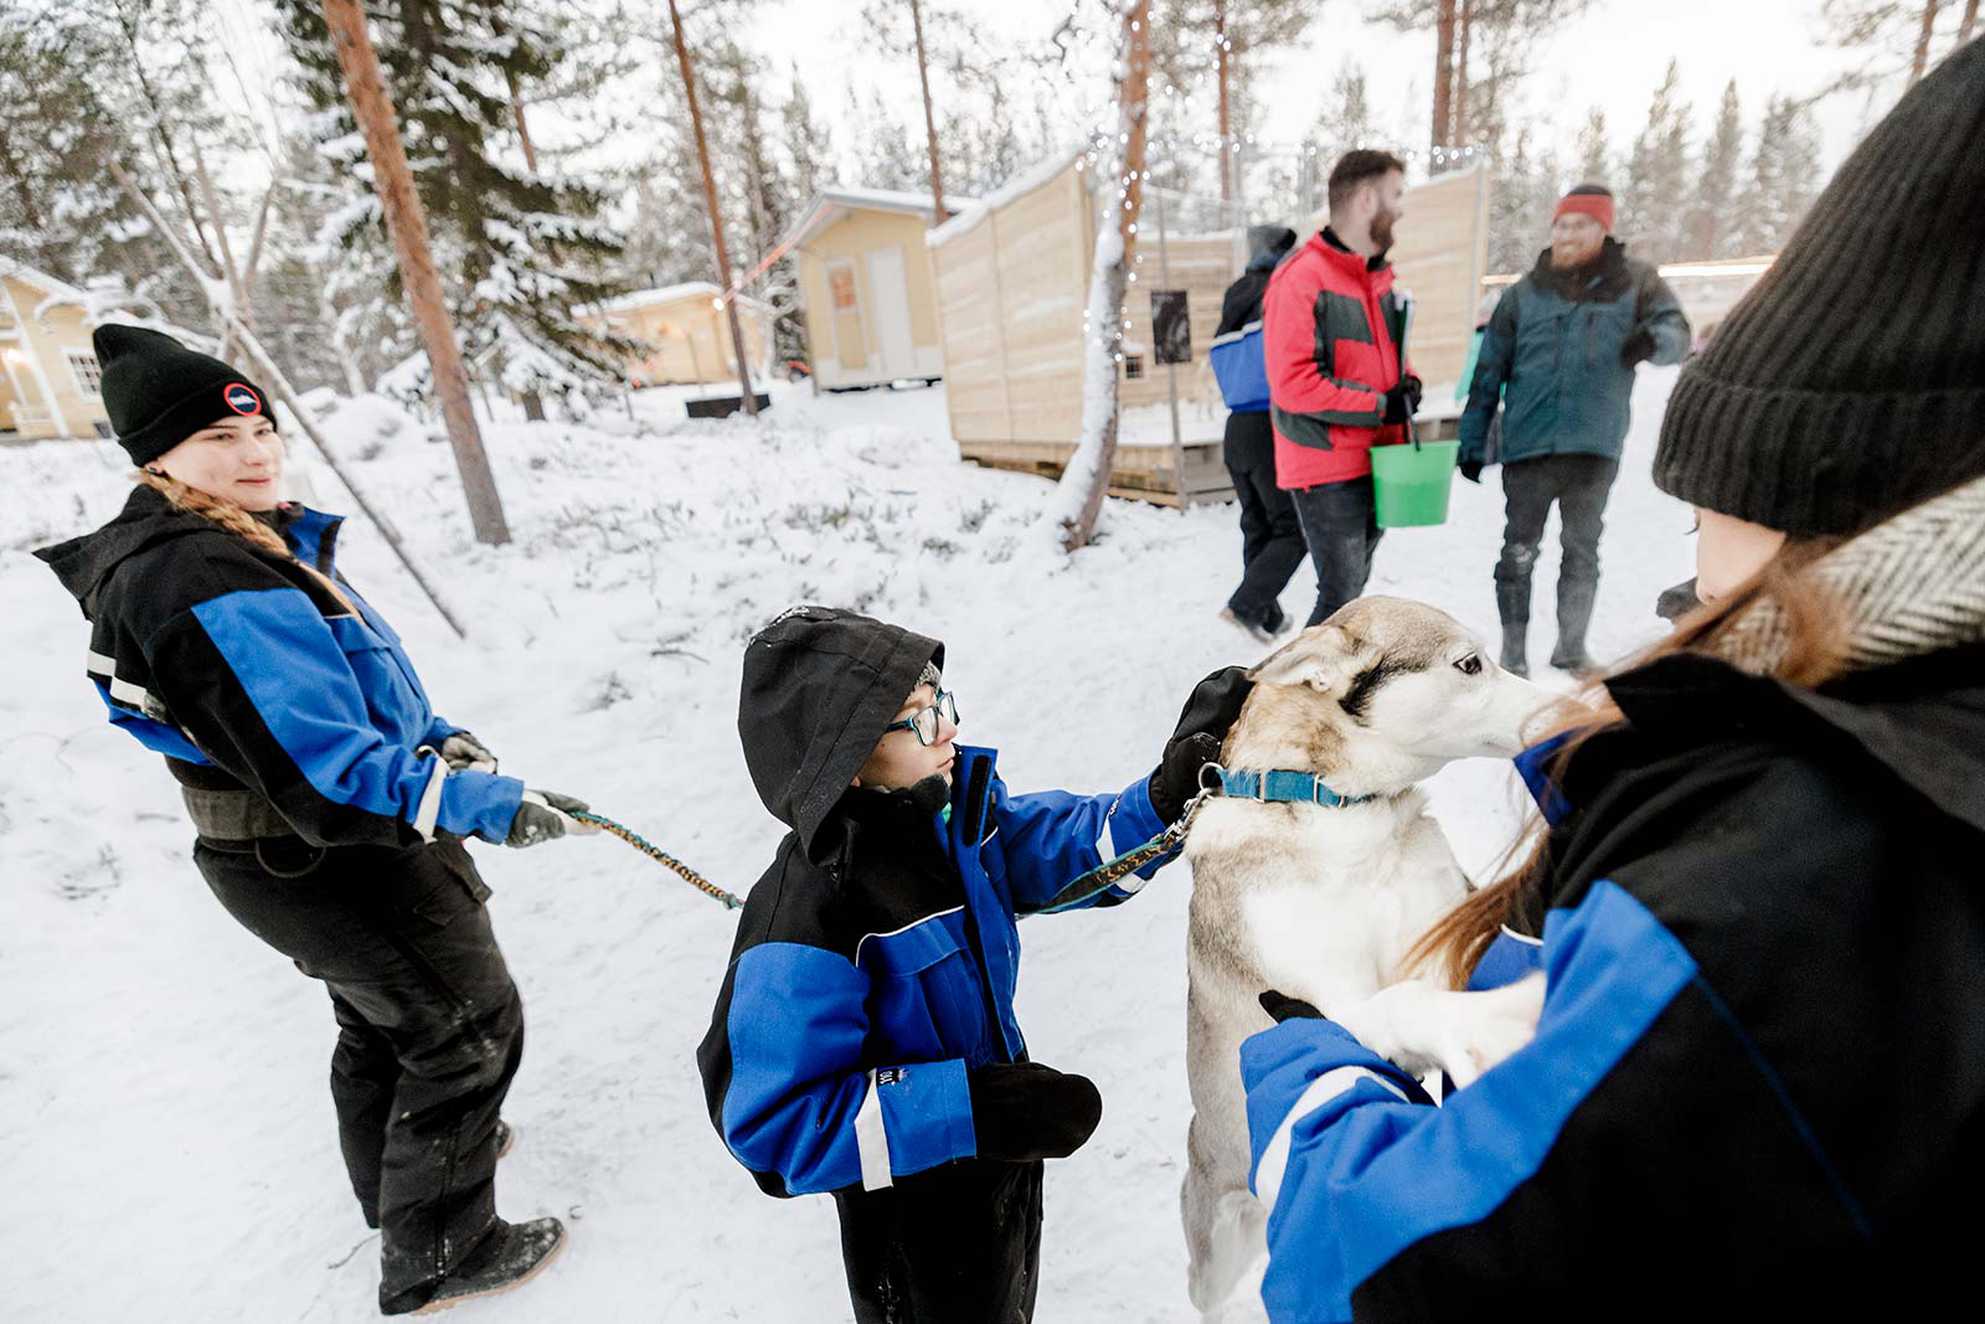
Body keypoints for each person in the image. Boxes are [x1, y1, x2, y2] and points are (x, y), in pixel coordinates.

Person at [1237, 43, 1985, 1320]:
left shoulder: (1767, 885)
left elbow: (1401, 1272)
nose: (1689, 564)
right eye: (1387, 197)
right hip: (1339, 464)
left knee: (1537, 565)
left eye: (1699, 524)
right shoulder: (1323, 277)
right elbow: (1303, 377)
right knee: (1362, 587)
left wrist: (1311, 1066)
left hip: (1506, 458)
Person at [34, 326, 593, 1316]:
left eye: (263, 432)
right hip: (318, 851)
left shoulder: (239, 538)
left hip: (296, 849)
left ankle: (401, 1181)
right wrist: (476, 802)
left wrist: (438, 741)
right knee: (461, 1024)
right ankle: (440, 1249)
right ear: (155, 456)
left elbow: (343, 696)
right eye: (217, 438)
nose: (254, 454)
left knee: (384, 1018)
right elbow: (325, 773)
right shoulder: (200, 575)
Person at [697, 606, 1249, 1323]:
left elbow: (1062, 852)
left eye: (942, 705)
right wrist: (976, 1108)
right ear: (849, 754)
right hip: (910, 1209)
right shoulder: (811, 920)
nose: (948, 728)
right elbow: (776, 1125)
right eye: (920, 719)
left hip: (997, 1167)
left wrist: (1164, 793)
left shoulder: (951, 825)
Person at [1459, 183, 1690, 676]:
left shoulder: (1635, 283)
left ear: (1602, 229)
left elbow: (1677, 333)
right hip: (1528, 444)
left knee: (1582, 549)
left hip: (1594, 444)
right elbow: (1488, 371)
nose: (1567, 234)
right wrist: (1472, 439)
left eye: (1579, 225)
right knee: (1518, 551)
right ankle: (1514, 653)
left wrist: (1652, 340)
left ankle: (1570, 648)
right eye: (1561, 225)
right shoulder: (1524, 293)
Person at [1262, 149, 1422, 628]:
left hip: (1377, 456)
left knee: (1352, 590)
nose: (1402, 208)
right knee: (1340, 596)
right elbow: (1293, 383)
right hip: (1325, 463)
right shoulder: (1302, 278)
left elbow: (1389, 353)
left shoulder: (1375, 278)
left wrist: (1407, 382)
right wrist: (1380, 405)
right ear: (1367, 200)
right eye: (1396, 195)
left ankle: (1329, 690)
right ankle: (1301, 694)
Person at [1211, 224, 1302, 643]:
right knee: (1292, 528)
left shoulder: (1237, 294)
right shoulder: (1278, 291)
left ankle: (1267, 616)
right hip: (1269, 423)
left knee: (1257, 525)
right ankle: (1246, 606)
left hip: (1236, 427)